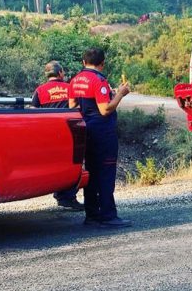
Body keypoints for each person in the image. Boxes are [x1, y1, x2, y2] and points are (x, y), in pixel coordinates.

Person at [69, 48, 132, 228]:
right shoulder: (99, 81)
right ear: (102, 63)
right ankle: (108, 215)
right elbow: (105, 109)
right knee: (105, 173)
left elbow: (72, 106)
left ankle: (92, 215)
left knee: (91, 172)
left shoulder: (75, 80)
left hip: (85, 132)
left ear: (83, 62)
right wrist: (120, 93)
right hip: (102, 134)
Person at [32, 61, 84, 210]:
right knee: (71, 165)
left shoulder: (40, 90)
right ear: (60, 73)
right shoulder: (69, 88)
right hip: (69, 132)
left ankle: (60, 194)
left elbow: (32, 110)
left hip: (47, 134)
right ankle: (67, 197)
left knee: (54, 164)